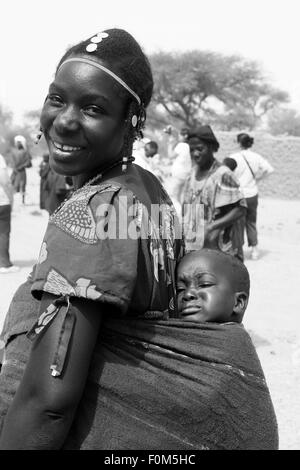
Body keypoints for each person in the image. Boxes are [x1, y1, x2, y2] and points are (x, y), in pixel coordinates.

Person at [0, 28, 183, 450]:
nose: (64, 120)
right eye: (57, 98)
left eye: (93, 108)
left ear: (131, 121)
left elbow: (48, 402)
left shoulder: (94, 211)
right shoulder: (149, 190)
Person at [175, 248, 279, 449]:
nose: (188, 294)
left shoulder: (233, 349)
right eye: (180, 289)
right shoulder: (175, 341)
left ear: (238, 302)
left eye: (204, 284)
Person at [182, 126, 246, 261]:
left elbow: (240, 209)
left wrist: (211, 227)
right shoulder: (192, 173)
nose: (195, 154)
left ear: (212, 148)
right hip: (194, 244)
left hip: (218, 248)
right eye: (192, 150)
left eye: (200, 149)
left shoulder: (223, 174)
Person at [229, 133, 274, 260]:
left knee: (238, 223)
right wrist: (258, 179)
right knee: (251, 222)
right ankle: (255, 251)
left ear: (239, 143)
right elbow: (269, 169)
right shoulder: (256, 157)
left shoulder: (234, 157)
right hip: (252, 194)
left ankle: (239, 251)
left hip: (238, 195)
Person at [165, 126, 192, 214]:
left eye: (180, 135)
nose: (179, 137)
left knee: (172, 196)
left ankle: (179, 215)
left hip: (178, 175)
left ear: (185, 136)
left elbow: (170, 155)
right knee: (180, 197)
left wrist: (170, 143)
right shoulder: (190, 146)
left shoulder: (182, 145)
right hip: (186, 175)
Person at [0, 153, 19, 274]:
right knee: (3, 233)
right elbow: (5, 180)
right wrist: (11, 198)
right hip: (2, 201)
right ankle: (4, 264)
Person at [10, 136, 32, 205]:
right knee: (13, 184)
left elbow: (28, 162)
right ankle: (13, 201)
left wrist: (22, 166)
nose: (17, 144)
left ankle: (22, 201)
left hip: (22, 172)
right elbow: (12, 162)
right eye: (17, 143)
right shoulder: (13, 152)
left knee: (22, 185)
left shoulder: (25, 152)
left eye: (19, 143)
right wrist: (14, 168)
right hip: (15, 172)